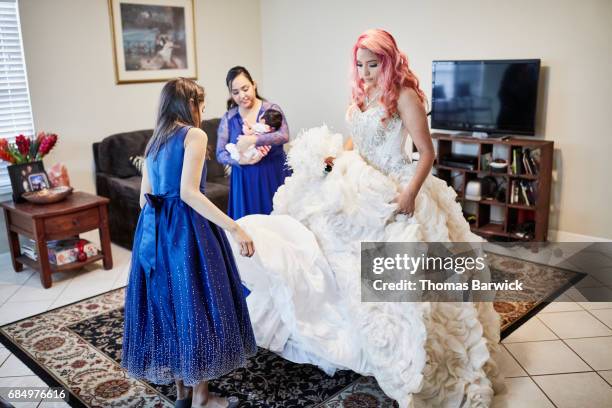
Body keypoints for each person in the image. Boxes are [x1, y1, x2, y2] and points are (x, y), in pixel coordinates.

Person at [225, 30, 503, 407]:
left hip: (397, 186)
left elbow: (426, 153)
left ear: (389, 62)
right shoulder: (361, 94)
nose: (366, 72)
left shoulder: (405, 96)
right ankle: (338, 337)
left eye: (373, 65)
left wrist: (408, 193)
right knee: (326, 250)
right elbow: (358, 139)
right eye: (360, 65)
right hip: (357, 182)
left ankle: (400, 352)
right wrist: (334, 158)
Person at [122, 78, 257, 408]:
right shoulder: (194, 135)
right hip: (185, 231)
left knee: (171, 305)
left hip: (154, 232)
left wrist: (159, 221)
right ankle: (202, 398)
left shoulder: (155, 139)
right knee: (198, 304)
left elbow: (144, 199)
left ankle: (182, 393)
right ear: (190, 104)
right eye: (201, 104)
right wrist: (234, 228)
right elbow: (189, 193)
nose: (202, 111)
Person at [216, 66, 291, 219]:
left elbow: (284, 135)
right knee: (250, 228)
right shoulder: (229, 118)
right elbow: (220, 153)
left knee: (277, 225)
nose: (242, 95)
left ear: (254, 85)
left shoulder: (271, 109)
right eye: (235, 92)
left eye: (245, 88)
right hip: (244, 180)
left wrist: (253, 139)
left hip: (272, 174)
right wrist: (239, 160)